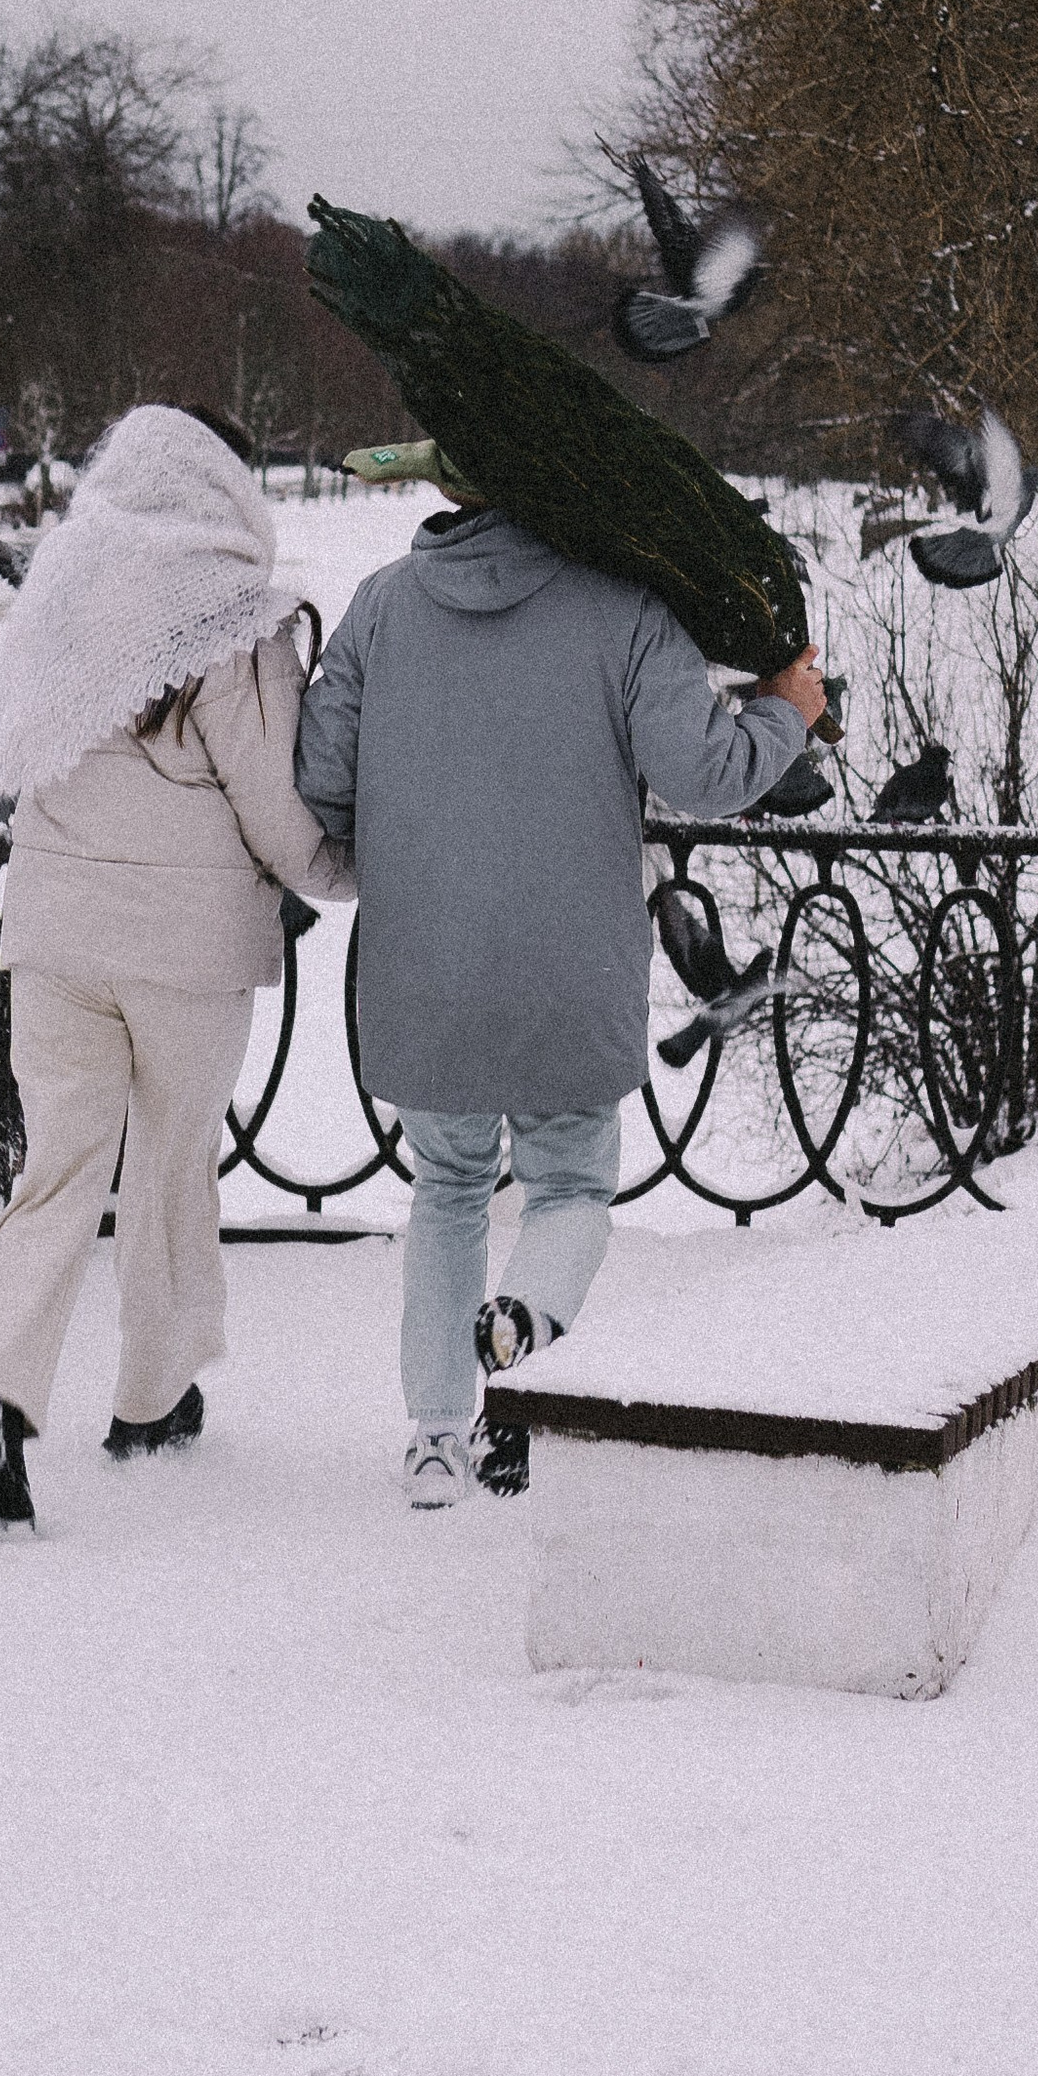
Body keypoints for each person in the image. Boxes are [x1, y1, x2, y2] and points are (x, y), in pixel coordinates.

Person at [294, 484, 826, 1507]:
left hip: (422, 960)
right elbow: (704, 774)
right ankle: (527, 1323)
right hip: (571, 961)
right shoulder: (626, 609)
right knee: (572, 1185)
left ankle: (437, 1441)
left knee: (446, 1187)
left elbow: (321, 781)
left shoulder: (381, 605)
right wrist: (782, 714)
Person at [0, 405, 351, 1531]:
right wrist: (345, 872)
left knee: (57, 1170)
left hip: (53, 931)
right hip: (183, 946)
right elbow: (276, 805)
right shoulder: (232, 615)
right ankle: (149, 1399)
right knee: (170, 1166)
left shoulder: (60, 587)